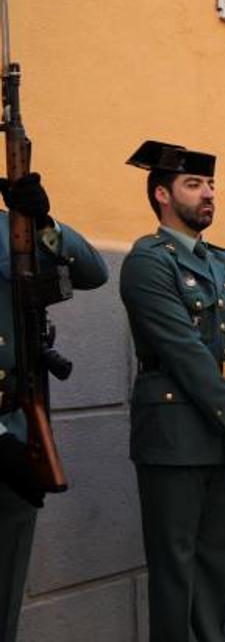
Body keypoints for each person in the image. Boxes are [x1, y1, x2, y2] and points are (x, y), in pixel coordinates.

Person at [120, 140, 225, 642]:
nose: (208, 194)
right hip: (176, 431)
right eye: (194, 185)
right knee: (176, 562)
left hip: (224, 433)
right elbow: (185, 352)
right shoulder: (149, 262)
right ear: (163, 196)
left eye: (210, 184)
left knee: (216, 557)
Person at [0, 172, 108, 641]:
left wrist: (44, 220)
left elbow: (93, 272)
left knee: (5, 592)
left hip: (16, 426)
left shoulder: (11, 229)